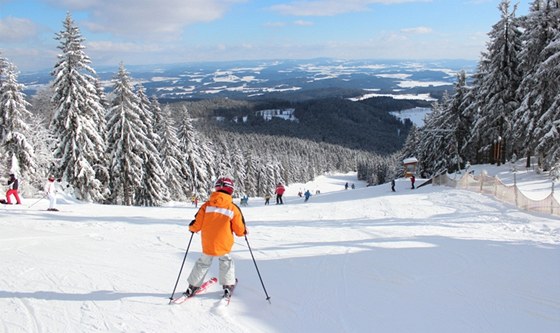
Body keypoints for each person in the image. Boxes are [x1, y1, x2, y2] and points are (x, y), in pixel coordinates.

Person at [184, 177, 247, 299]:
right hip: (224, 242)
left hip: (208, 242)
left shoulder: (206, 206)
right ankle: (228, 286)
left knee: (203, 262)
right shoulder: (233, 208)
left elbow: (197, 224)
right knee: (226, 262)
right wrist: (244, 232)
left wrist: (192, 228)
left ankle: (192, 286)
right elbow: (239, 229)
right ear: (231, 189)